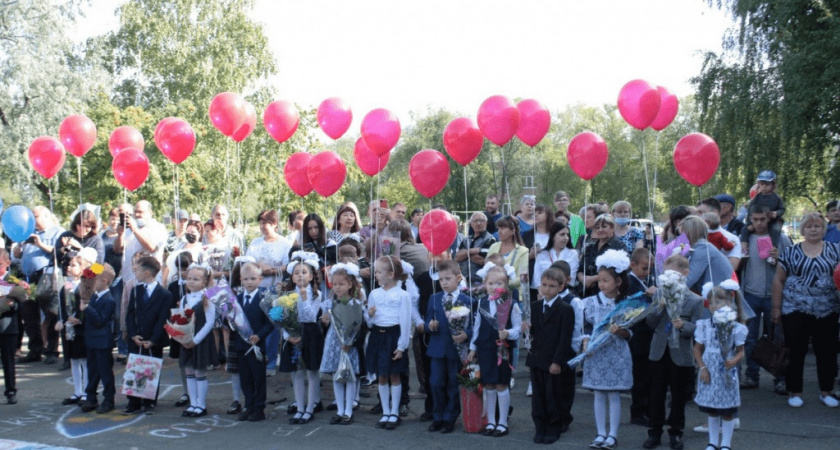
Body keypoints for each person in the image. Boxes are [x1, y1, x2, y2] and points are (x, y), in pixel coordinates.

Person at [771, 212, 840, 408]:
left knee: (826, 352)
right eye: (809, 227)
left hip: (827, 309)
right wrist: (776, 307)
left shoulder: (835, 251)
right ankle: (795, 392)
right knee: (795, 351)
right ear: (802, 230)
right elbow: (778, 279)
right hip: (795, 308)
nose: (813, 230)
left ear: (823, 229)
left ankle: (826, 392)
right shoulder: (791, 251)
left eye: (817, 226)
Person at [643, 254, 705, 450]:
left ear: (685, 274)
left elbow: (698, 328)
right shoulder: (659, 294)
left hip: (681, 354)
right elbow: (650, 323)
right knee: (656, 394)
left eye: (674, 274)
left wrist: (684, 325)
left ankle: (676, 432)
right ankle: (654, 431)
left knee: (678, 396)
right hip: (659, 352)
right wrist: (659, 308)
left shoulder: (694, 300)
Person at [580, 249, 633, 450]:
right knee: (598, 393)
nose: (601, 284)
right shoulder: (591, 302)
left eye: (606, 280)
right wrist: (585, 342)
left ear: (618, 281)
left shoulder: (627, 304)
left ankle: (612, 434)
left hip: (617, 353)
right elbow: (586, 325)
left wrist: (621, 331)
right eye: (600, 280)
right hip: (596, 352)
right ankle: (600, 432)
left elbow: (631, 332)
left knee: (613, 394)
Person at [739, 205, 790, 394]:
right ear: (750, 220)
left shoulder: (781, 239)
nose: (759, 223)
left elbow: (793, 266)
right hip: (751, 294)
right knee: (750, 339)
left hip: (773, 296)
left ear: (769, 219)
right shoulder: (745, 240)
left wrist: (780, 258)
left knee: (778, 339)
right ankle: (752, 376)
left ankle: (780, 379)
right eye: (755, 219)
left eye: (763, 219)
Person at [467, 265, 521, 438]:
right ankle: (490, 421)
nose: (494, 286)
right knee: (488, 384)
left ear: (506, 285)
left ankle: (502, 423)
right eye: (490, 283)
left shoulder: (511, 304)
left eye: (499, 283)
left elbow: (518, 328)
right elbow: (477, 326)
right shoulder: (482, 302)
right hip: (485, 348)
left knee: (501, 383)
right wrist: (473, 348)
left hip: (502, 349)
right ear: (485, 284)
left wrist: (508, 333)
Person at [526, 267, 576, 444]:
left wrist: (557, 361)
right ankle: (540, 426)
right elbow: (534, 332)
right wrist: (527, 329)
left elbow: (565, 338)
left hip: (553, 359)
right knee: (538, 396)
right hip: (537, 358)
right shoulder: (534, 306)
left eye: (552, 286)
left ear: (561, 287)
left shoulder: (565, 309)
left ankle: (554, 427)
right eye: (544, 285)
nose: (547, 289)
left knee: (553, 395)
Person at [694, 285, 747, 450]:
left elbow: (741, 352)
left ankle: (726, 443)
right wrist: (702, 368)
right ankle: (712, 442)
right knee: (712, 409)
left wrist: (733, 361)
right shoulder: (704, 325)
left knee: (727, 410)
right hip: (709, 372)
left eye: (718, 301)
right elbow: (697, 349)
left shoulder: (735, 327)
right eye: (711, 303)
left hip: (725, 372)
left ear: (730, 302)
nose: (714, 305)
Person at [424, 261, 473, 434]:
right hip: (437, 348)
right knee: (435, 383)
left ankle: (450, 417)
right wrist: (430, 325)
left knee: (453, 385)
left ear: (458, 278)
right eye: (441, 279)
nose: (443, 282)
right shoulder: (434, 298)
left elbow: (473, 325)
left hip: (456, 350)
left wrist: (466, 334)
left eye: (448, 278)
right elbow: (427, 319)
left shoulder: (467, 300)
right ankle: (438, 416)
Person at [365, 255, 411, 430]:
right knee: (381, 376)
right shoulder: (374, 294)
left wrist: (402, 346)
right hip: (378, 336)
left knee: (394, 375)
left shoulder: (402, 295)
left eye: (379, 272)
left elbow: (405, 322)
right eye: (375, 272)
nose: (375, 275)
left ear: (391, 274)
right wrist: (369, 315)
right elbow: (370, 323)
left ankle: (394, 412)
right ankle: (385, 411)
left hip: (394, 336)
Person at [123, 256, 172, 415]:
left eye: (137, 270)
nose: (135, 273)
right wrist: (132, 335)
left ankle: (150, 401)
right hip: (137, 338)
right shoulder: (136, 290)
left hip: (153, 339)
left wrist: (154, 339)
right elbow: (130, 315)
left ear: (147, 272)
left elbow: (162, 319)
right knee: (135, 368)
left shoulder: (164, 294)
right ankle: (133, 401)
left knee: (151, 369)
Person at [280, 252, 326, 425]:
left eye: (304, 272)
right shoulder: (287, 295)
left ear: (311, 275)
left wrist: (305, 298)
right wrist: (287, 335)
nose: (300, 275)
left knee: (312, 371)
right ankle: (299, 407)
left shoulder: (316, 294)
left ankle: (310, 408)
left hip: (310, 334)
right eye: (297, 272)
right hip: (293, 334)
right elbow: (281, 318)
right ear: (292, 276)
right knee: (296, 372)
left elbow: (310, 316)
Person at [15, 206, 64, 363]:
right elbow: (18, 255)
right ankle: (35, 349)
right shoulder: (27, 232)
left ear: (46, 216)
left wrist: (40, 244)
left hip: (47, 276)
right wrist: (19, 248)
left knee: (50, 314)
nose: (32, 220)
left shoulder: (57, 231)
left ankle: (51, 350)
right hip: (28, 278)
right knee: (28, 314)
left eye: (35, 216)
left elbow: (61, 252)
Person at [320, 263, 364, 425]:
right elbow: (326, 318)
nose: (338, 287)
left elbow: (358, 324)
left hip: (348, 343)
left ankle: (348, 411)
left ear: (350, 284)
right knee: (336, 376)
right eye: (335, 284)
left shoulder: (355, 303)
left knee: (349, 376)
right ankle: (339, 409)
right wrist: (324, 318)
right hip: (334, 341)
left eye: (342, 284)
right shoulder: (330, 302)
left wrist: (350, 341)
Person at [234, 262, 273, 422]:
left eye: (253, 278)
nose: (249, 282)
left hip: (257, 345)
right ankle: (248, 405)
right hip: (241, 345)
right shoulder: (236, 299)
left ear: (260, 279)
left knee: (258, 378)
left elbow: (272, 321)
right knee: (245, 378)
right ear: (240, 280)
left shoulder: (267, 296)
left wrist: (259, 335)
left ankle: (259, 408)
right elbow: (232, 322)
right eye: (246, 279)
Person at [178, 264, 216, 418]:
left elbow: (209, 322)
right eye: (189, 279)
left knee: (199, 371)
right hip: (186, 341)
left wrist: (195, 340)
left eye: (196, 279)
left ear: (205, 281)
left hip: (200, 340)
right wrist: (182, 338)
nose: (191, 282)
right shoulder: (184, 298)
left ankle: (201, 405)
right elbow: (180, 319)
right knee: (189, 371)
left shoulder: (207, 298)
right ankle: (192, 403)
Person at [79, 263, 117, 414]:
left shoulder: (109, 300)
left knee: (105, 371)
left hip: (102, 341)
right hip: (92, 340)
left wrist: (87, 308)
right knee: (92, 370)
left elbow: (100, 320)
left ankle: (109, 399)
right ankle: (91, 397)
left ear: (104, 281)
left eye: (94, 279)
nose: (90, 283)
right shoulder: (94, 297)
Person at [56, 252, 92, 405]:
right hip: (69, 327)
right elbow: (63, 305)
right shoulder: (67, 284)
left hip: (81, 327)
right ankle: (77, 391)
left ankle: (86, 392)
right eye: (69, 265)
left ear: (82, 267)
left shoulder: (87, 284)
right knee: (73, 359)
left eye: (74, 265)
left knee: (84, 359)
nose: (69, 268)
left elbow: (87, 305)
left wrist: (80, 319)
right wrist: (61, 319)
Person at [626, 248, 656, 428]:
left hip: (648, 335)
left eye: (650, 268)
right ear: (633, 265)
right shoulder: (630, 283)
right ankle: (638, 411)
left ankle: (649, 410)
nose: (648, 272)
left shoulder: (647, 280)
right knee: (640, 377)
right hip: (637, 336)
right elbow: (634, 307)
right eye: (645, 268)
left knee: (648, 376)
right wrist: (648, 296)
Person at [114, 200, 169, 285]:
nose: (136, 215)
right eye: (135, 212)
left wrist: (135, 230)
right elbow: (117, 250)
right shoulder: (129, 227)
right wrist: (120, 235)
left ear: (150, 212)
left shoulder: (159, 228)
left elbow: (152, 248)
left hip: (149, 281)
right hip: (128, 280)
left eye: (140, 212)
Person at [0, 249, 28, 404]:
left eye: (0, 264)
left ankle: (11, 390)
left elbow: (20, 304)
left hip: (7, 327)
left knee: (8, 361)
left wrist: (9, 305)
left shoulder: (12, 281)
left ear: (7, 263)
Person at [682, 216, 734, 294]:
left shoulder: (702, 248)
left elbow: (689, 280)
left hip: (718, 299)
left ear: (689, 232)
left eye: (681, 233)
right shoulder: (702, 246)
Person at [579, 214, 625, 298]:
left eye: (604, 226)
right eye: (597, 227)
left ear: (612, 227)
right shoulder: (590, 248)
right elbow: (580, 269)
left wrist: (593, 279)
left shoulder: (619, 246)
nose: (600, 230)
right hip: (587, 293)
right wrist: (583, 279)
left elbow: (620, 271)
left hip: (609, 294)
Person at [741, 170, 785, 252]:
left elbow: (782, 209)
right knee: (745, 229)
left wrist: (776, 213)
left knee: (775, 230)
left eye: (767, 184)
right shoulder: (757, 197)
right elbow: (750, 209)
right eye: (762, 184)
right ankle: (744, 247)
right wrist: (749, 223)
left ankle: (773, 248)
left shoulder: (776, 198)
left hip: (773, 220)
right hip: (759, 219)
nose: (764, 186)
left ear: (773, 185)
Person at [246, 210, 291, 290]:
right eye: (260, 223)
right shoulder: (255, 242)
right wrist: (257, 267)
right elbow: (247, 262)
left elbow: (287, 266)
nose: (261, 226)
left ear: (274, 224)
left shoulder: (285, 243)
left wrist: (272, 271)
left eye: (264, 223)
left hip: (277, 288)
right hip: (256, 288)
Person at [533, 222, 579, 298]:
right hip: (544, 296)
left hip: (564, 296)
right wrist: (543, 293)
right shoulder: (542, 254)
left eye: (567, 235)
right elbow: (537, 280)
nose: (566, 238)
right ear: (553, 236)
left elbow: (570, 278)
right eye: (562, 234)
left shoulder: (572, 254)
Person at [697, 198, 741, 269]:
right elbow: (673, 252)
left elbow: (731, 268)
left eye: (701, 212)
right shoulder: (688, 235)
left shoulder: (731, 238)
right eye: (695, 213)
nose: (697, 216)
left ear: (715, 213)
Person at [523, 204, 555, 302]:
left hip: (552, 277)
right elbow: (521, 257)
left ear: (548, 215)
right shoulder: (527, 235)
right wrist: (530, 256)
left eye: (540, 213)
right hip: (532, 279)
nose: (536, 215)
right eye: (534, 213)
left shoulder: (555, 234)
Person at [455, 212, 497, 285]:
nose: (478, 223)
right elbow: (457, 257)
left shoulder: (490, 239)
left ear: (486, 223)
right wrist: (474, 250)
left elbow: (482, 260)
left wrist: (465, 255)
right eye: (475, 221)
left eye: (481, 220)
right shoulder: (466, 239)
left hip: (480, 282)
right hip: (464, 281)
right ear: (471, 223)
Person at [162, 220, 207, 285]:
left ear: (199, 234)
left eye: (192, 232)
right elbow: (168, 267)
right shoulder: (180, 245)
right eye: (188, 231)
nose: (190, 234)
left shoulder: (201, 250)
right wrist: (163, 283)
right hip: (171, 284)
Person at [655, 206, 692, 275]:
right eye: (679, 221)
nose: (682, 223)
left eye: (685, 219)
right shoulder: (673, 240)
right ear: (674, 223)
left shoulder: (692, 238)